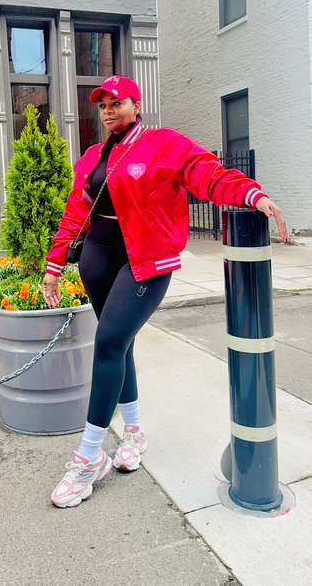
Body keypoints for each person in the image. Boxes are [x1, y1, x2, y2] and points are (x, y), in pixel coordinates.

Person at [42, 75, 289, 508]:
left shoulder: (163, 144)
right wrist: (54, 265)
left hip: (145, 262)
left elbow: (206, 175)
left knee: (107, 344)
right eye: (101, 104)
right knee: (118, 346)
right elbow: (75, 209)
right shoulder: (93, 157)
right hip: (98, 258)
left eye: (116, 102)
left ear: (137, 105)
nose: (107, 110)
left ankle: (88, 458)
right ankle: (133, 435)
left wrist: (252, 195)